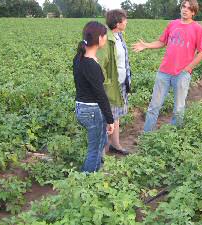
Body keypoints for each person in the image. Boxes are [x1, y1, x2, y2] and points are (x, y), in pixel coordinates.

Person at [132, 0, 202, 132]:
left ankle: (173, 138)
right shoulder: (172, 24)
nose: (185, 10)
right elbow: (162, 42)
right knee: (154, 106)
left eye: (189, 8)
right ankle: (147, 137)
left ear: (193, 12)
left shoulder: (197, 28)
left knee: (178, 108)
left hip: (182, 74)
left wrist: (188, 68)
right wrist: (146, 45)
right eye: (183, 6)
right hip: (164, 72)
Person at [73, 21, 114, 173]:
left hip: (81, 107)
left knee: (100, 141)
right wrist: (110, 120)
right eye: (105, 36)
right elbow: (100, 95)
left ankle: (96, 171)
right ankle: (87, 181)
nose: (106, 38)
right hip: (91, 110)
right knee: (94, 149)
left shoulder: (79, 58)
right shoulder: (91, 64)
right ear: (99, 39)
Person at [97, 9, 131, 155]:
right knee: (107, 117)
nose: (126, 22)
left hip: (121, 83)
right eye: (124, 20)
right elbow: (100, 64)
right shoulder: (106, 39)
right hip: (110, 85)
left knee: (115, 115)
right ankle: (102, 152)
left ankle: (115, 145)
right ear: (118, 23)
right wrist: (105, 83)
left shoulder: (119, 36)